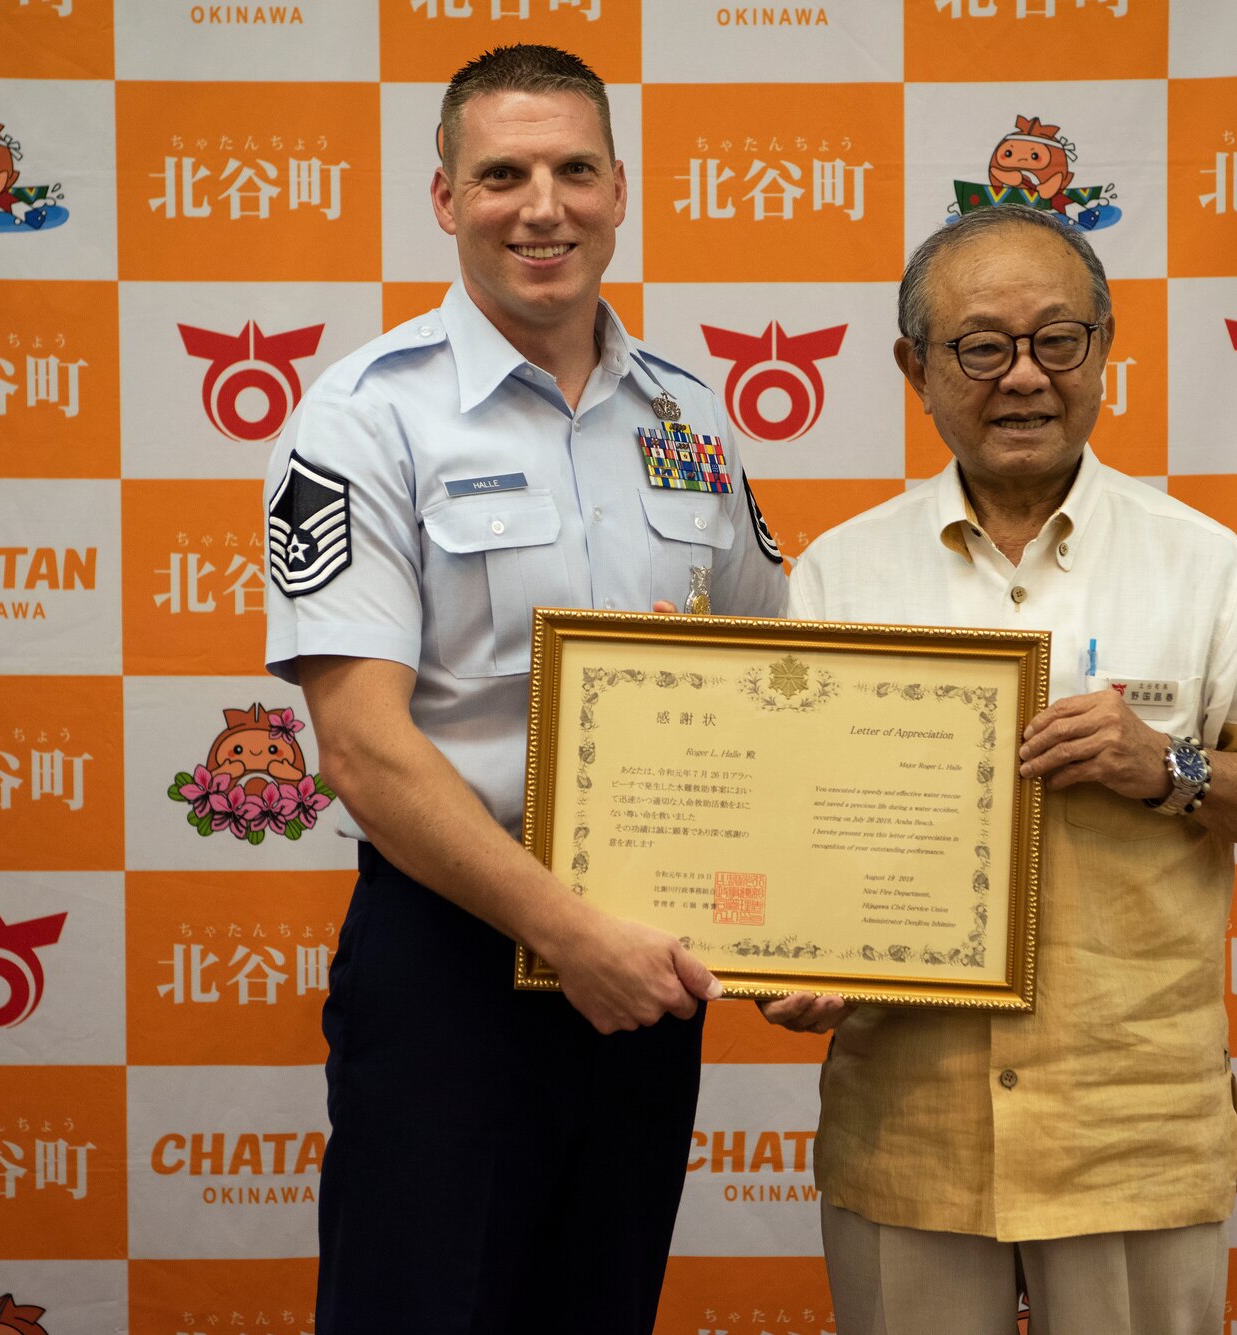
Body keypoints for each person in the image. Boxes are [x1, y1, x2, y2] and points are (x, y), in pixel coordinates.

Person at [261, 44, 788, 1335]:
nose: (540, 206)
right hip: (454, 959)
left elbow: (776, 694)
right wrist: (566, 931)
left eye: (573, 171)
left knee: (598, 1307)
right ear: (445, 198)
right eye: (502, 174)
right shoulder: (364, 417)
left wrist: (791, 937)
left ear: (620, 190)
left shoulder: (692, 418)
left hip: (647, 964)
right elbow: (365, 749)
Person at [761, 206, 1237, 1335]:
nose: (1022, 377)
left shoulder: (1208, 567)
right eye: (980, 346)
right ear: (913, 368)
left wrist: (1165, 765)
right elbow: (789, 831)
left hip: (1126, 1131)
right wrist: (791, 957)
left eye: (1056, 341)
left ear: (1104, 354)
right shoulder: (837, 574)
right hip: (907, 1131)